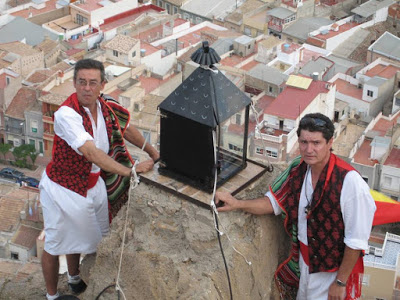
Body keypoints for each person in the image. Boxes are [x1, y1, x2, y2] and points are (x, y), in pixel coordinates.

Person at [215, 113, 376, 300]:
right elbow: (273, 203)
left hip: (330, 273)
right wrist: (237, 204)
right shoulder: (298, 169)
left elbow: (356, 241)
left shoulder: (351, 183)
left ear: (330, 142)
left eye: (316, 143)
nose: (309, 149)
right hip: (303, 265)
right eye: (303, 142)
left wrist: (340, 283)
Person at [39, 59, 159, 300]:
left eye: (93, 83)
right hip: (63, 188)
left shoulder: (107, 107)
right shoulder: (66, 114)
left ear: (102, 85)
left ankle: (74, 278)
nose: (86, 88)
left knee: (83, 236)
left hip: (93, 185)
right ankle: (51, 296)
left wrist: (155, 154)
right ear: (74, 84)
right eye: (81, 82)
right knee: (54, 242)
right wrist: (131, 171)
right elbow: (91, 152)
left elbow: (127, 129)